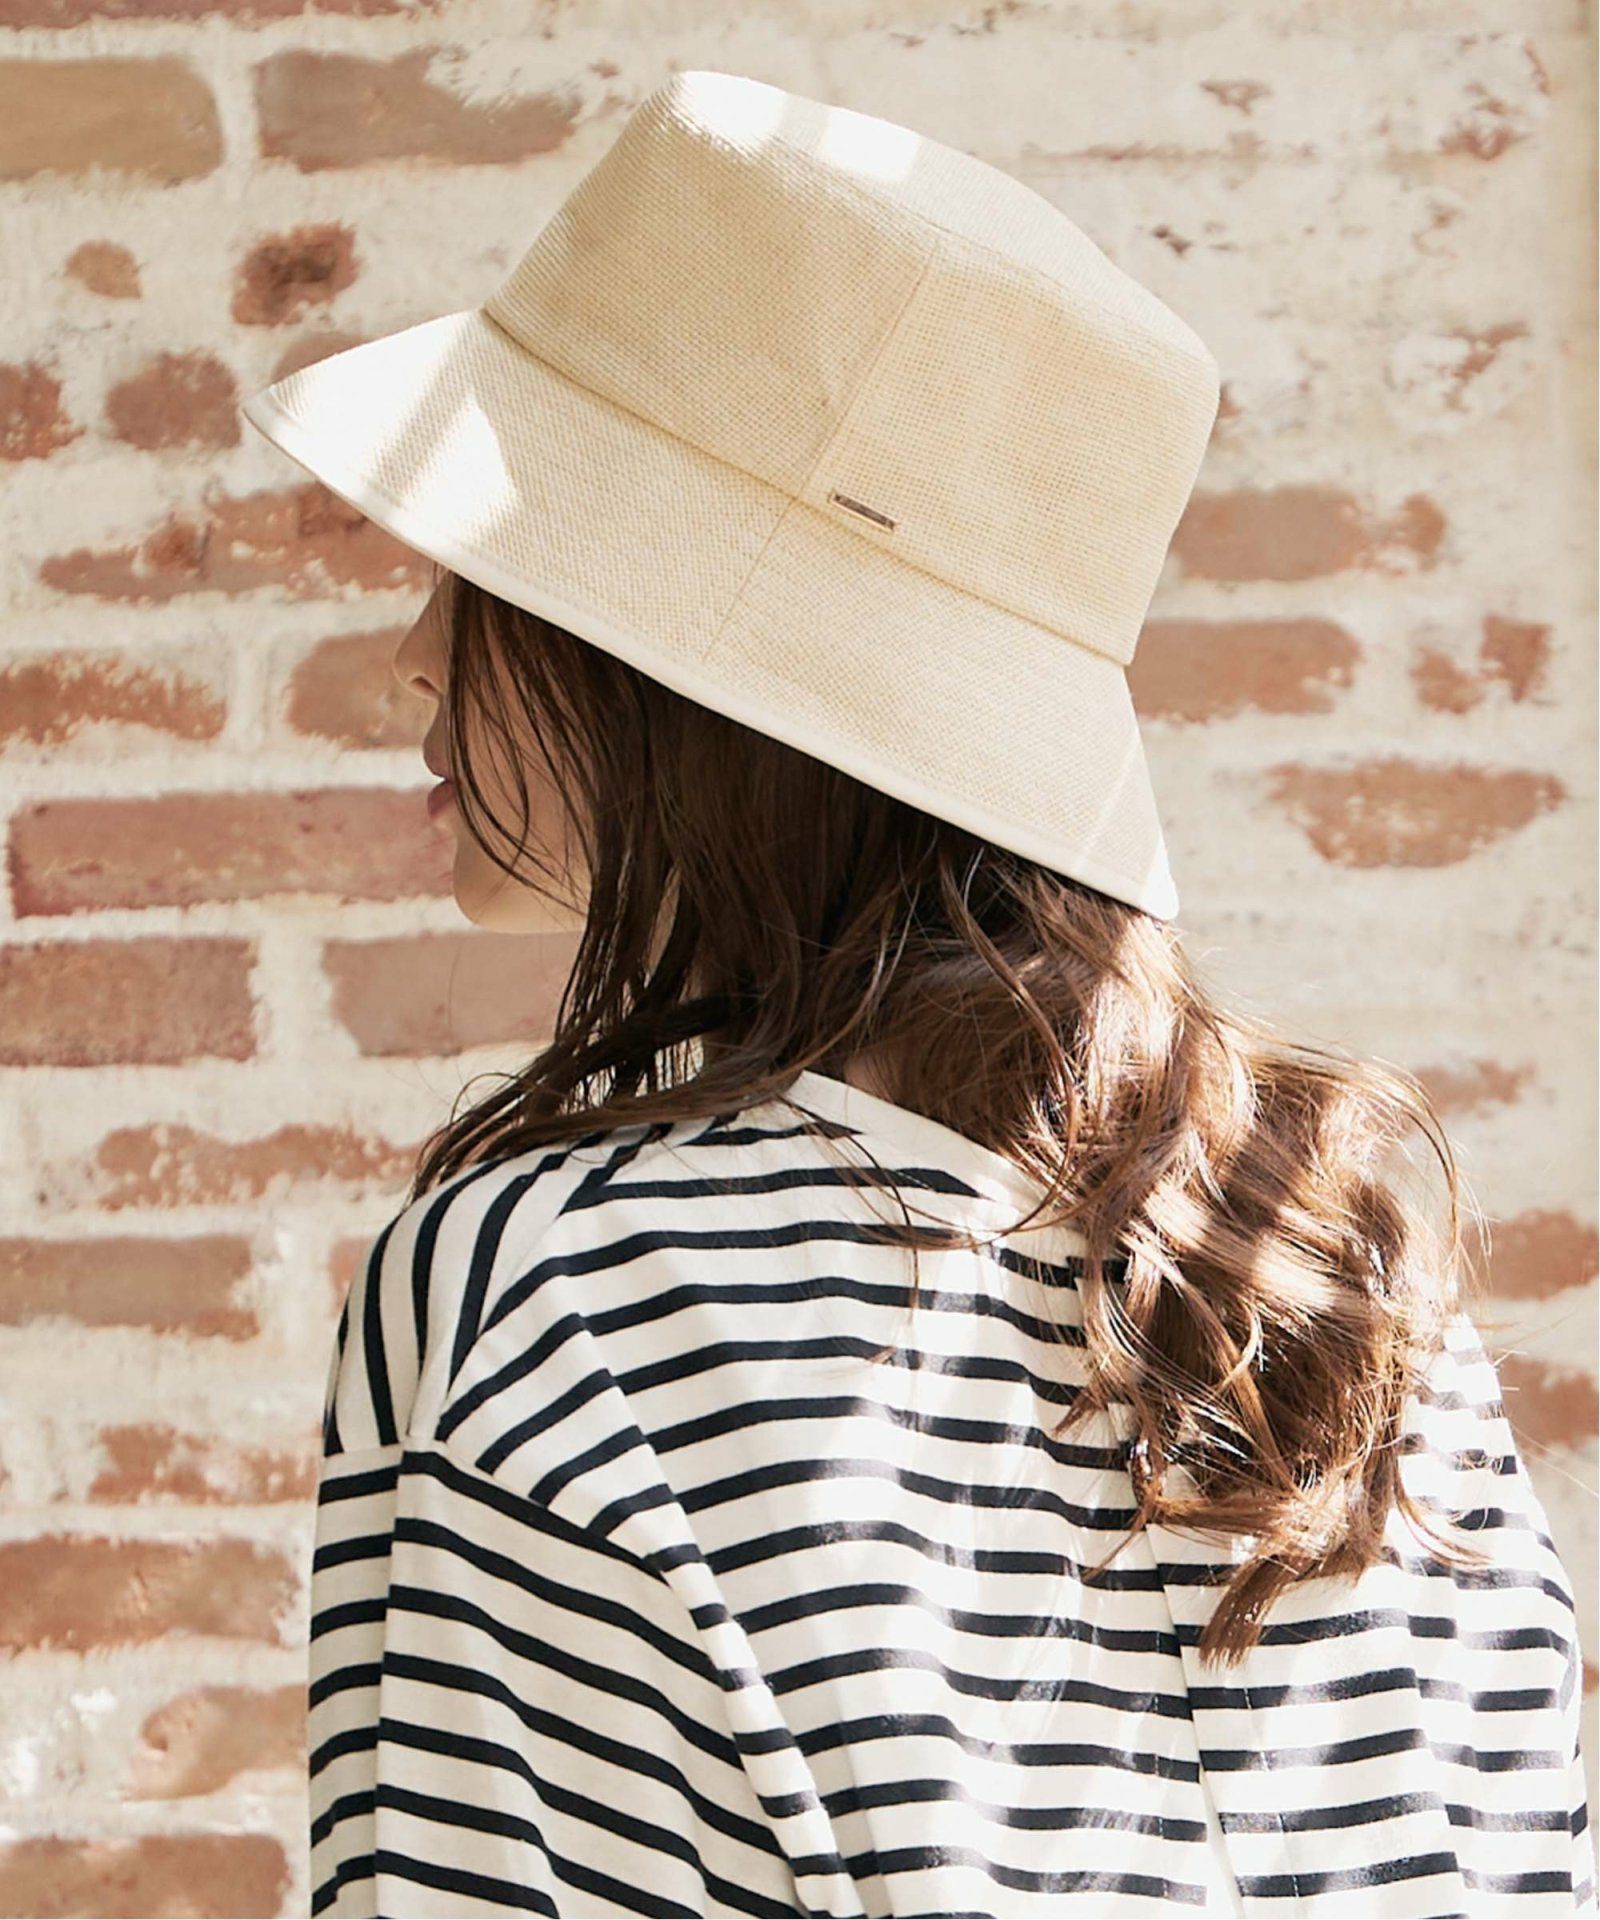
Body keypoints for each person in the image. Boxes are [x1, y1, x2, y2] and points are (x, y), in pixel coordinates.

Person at [243, 69, 1596, 1919]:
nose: (416, 650)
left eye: (487, 560)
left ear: (673, 667)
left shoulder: (547, 1292)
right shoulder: (1338, 1267)